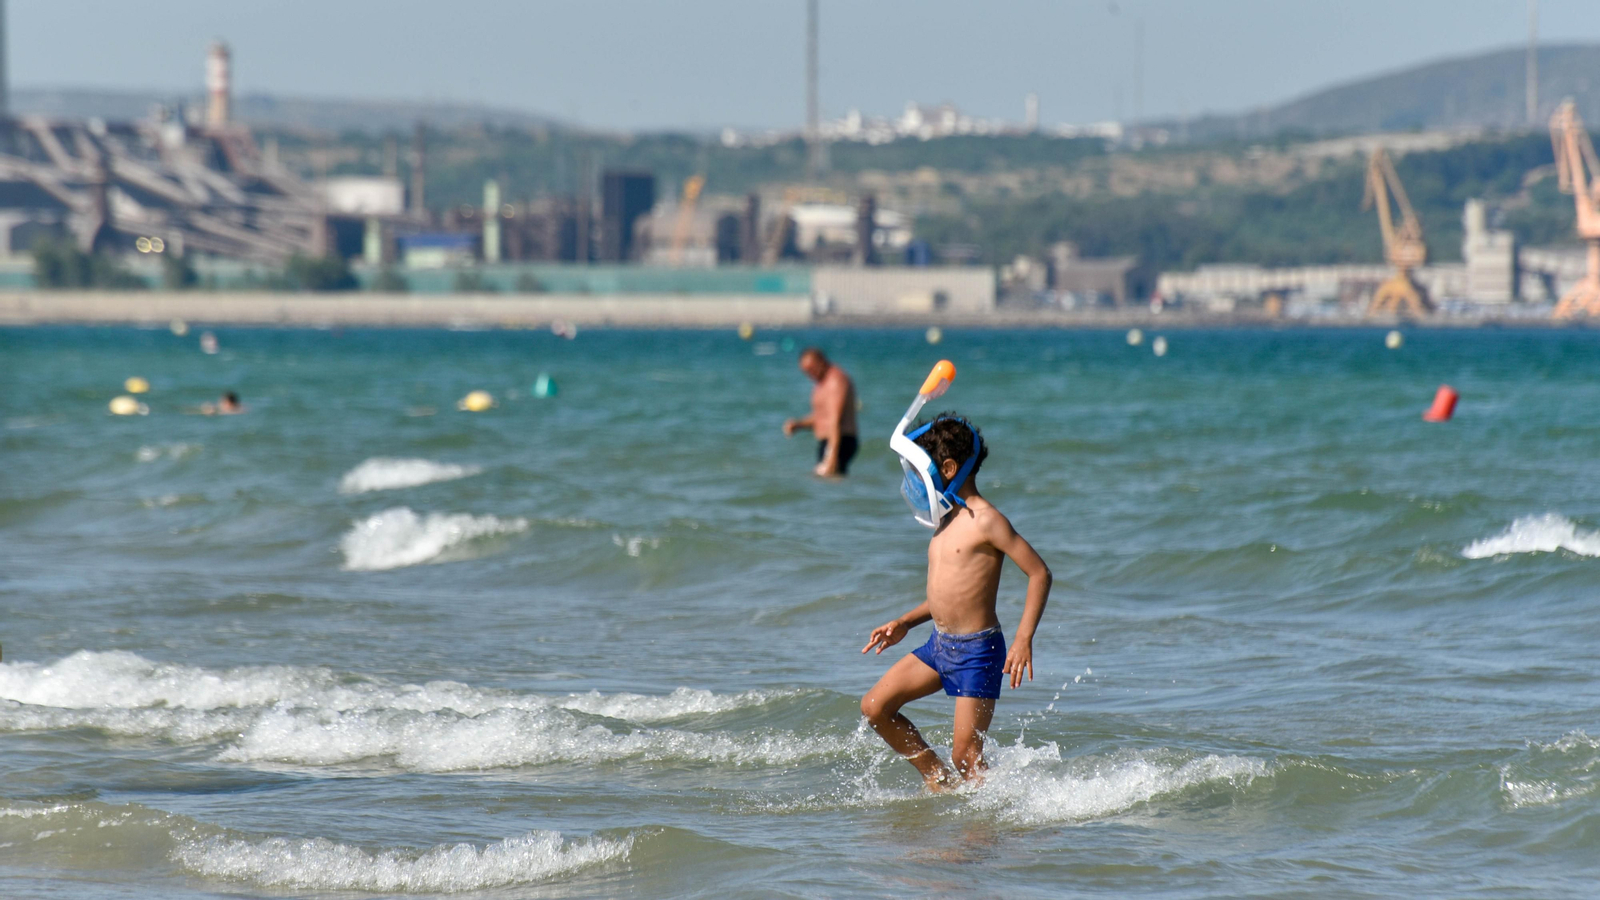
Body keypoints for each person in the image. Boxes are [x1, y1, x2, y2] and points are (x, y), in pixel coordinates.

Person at [860, 414, 1052, 790]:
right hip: (938, 646)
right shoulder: (945, 520)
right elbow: (950, 596)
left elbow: (1039, 573)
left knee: (967, 757)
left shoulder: (987, 520)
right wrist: (904, 622)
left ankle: (995, 828)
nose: (918, 481)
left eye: (923, 471)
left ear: (948, 468)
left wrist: (1023, 639)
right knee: (875, 708)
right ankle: (937, 778)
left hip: (978, 652)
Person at [782, 348, 858, 477]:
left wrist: (832, 456)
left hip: (840, 442)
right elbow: (822, 417)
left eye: (811, 369)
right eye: (806, 371)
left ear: (821, 362)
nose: (810, 374)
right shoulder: (822, 381)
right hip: (830, 442)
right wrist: (798, 424)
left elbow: (835, 420)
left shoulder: (835, 380)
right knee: (822, 482)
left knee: (830, 481)